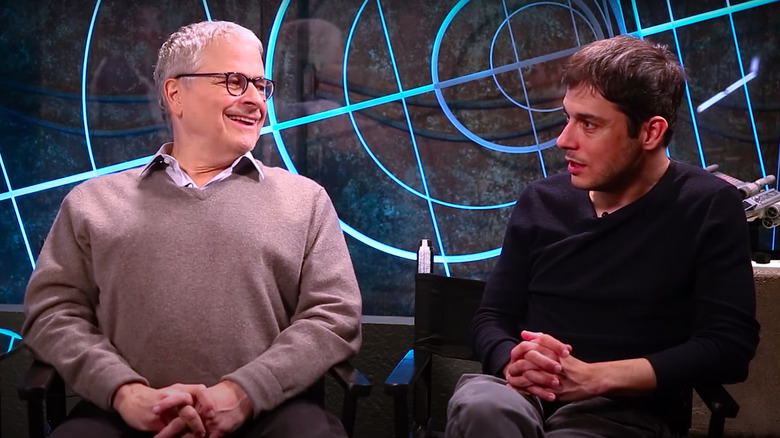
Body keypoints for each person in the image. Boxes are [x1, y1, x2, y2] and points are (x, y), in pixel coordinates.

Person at [22, 20, 362, 438]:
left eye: (261, 85)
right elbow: (52, 313)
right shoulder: (93, 202)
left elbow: (334, 316)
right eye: (235, 81)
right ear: (176, 94)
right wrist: (124, 392)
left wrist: (243, 393)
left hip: (267, 414)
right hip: (123, 416)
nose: (255, 99)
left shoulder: (305, 201)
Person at [446, 35, 760, 437]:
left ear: (650, 132)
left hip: (622, 411)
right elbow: (492, 317)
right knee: (482, 407)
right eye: (568, 118)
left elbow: (728, 348)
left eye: (589, 124)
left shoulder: (708, 206)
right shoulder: (541, 200)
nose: (564, 140)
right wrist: (512, 360)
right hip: (521, 394)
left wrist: (596, 378)